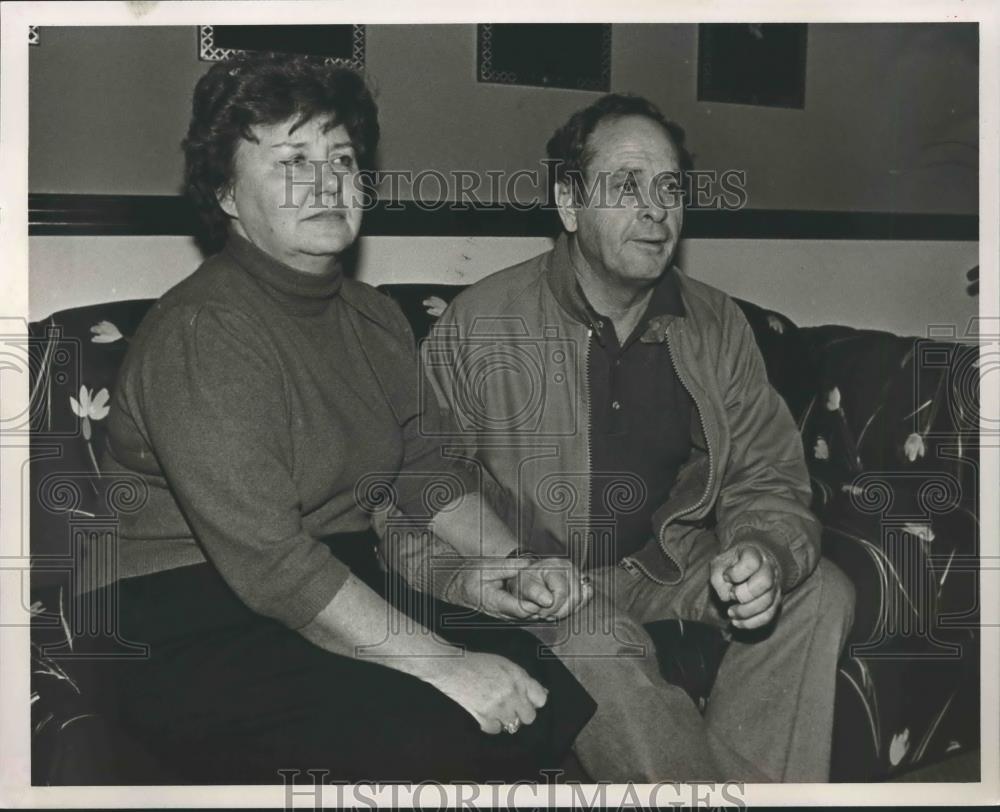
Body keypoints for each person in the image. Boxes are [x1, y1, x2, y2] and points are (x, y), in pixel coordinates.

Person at [97, 52, 594, 784]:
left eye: (342, 157)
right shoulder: (206, 332)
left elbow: (427, 471)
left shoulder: (373, 317)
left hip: (330, 581)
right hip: (186, 622)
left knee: (547, 685)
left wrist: (509, 564)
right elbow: (273, 566)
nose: (326, 180)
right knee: (449, 718)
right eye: (293, 158)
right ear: (227, 193)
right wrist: (446, 665)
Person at [421, 93, 856, 782]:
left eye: (670, 188)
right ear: (569, 203)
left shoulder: (715, 324)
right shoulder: (480, 326)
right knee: (598, 638)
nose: (656, 208)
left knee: (820, 588)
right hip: (542, 586)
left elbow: (767, 475)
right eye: (627, 185)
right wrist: (497, 576)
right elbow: (412, 503)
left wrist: (764, 550)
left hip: (664, 569)